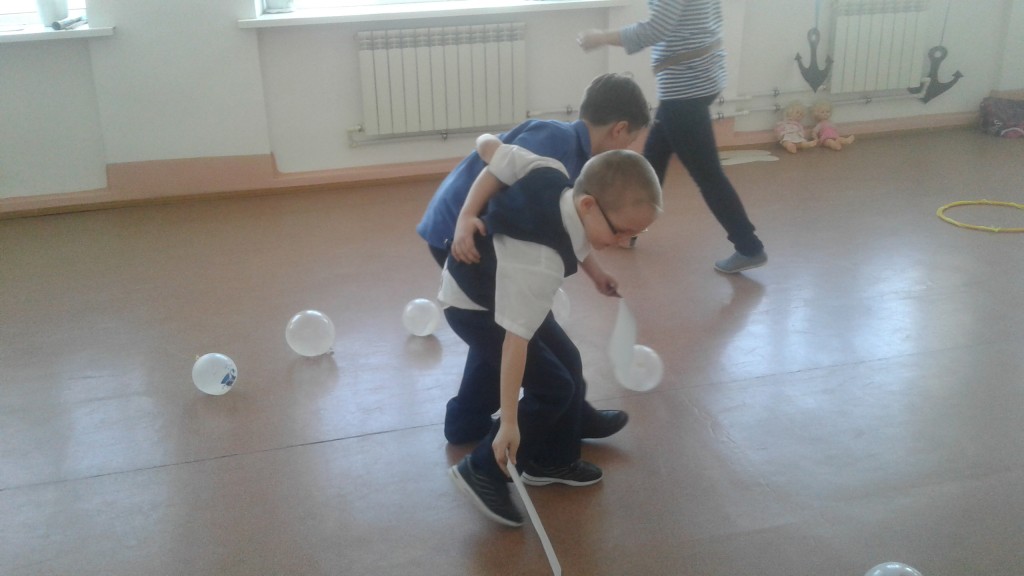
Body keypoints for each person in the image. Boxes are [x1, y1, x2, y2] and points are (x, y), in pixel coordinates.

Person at [416, 73, 652, 445]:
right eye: (632, 142)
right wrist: (465, 218)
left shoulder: (581, 161)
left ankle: (566, 413)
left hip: (480, 234)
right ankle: (475, 421)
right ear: (619, 129)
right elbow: (495, 169)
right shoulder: (555, 142)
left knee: (504, 327)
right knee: (508, 328)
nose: (629, 150)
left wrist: (595, 272)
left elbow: (560, 227)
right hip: (462, 236)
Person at [447, 135, 663, 526]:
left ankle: (552, 460)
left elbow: (488, 146)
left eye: (635, 235)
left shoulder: (553, 173)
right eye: (621, 231)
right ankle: (481, 470)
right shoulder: (539, 263)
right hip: (476, 306)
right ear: (589, 205)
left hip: (506, 288)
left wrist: (596, 273)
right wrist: (509, 422)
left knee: (569, 360)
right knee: (553, 387)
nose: (623, 242)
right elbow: (515, 342)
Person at [577, 0, 768, 274]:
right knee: (651, 162)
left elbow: (655, 29)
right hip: (698, 79)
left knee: (707, 175)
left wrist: (600, 37)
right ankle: (625, 229)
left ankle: (749, 246)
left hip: (685, 89)